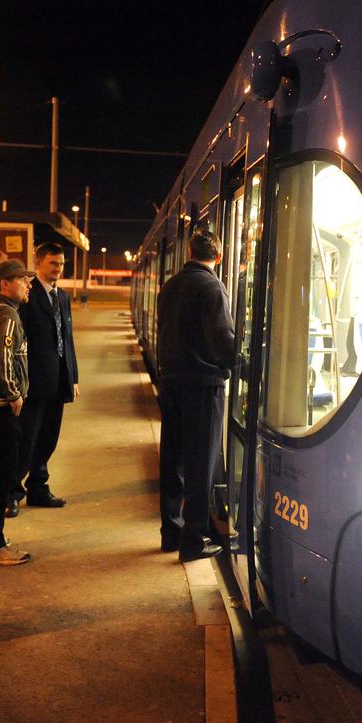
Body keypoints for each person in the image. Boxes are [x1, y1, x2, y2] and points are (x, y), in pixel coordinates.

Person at [156, 230, 236, 562]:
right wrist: (236, 362)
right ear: (218, 257)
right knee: (202, 463)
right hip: (202, 385)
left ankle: (170, 534)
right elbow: (222, 338)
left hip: (171, 383)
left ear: (190, 252)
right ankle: (193, 541)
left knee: (172, 460)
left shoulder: (170, 286)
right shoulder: (212, 287)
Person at [14, 242, 78, 512]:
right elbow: (21, 340)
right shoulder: (28, 295)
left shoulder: (62, 297)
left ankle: (39, 488)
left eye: (62, 264)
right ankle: (11, 494)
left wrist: (73, 378)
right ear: (39, 263)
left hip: (58, 380)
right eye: (53, 263)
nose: (59, 268)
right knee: (26, 440)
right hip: (35, 383)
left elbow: (67, 339)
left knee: (48, 438)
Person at [0, 258, 34, 565]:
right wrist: (13, 394)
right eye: (22, 279)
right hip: (2, 409)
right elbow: (1, 356)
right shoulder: (7, 316)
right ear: (5, 284)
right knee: (2, 477)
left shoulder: (0, 312)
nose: (28, 284)